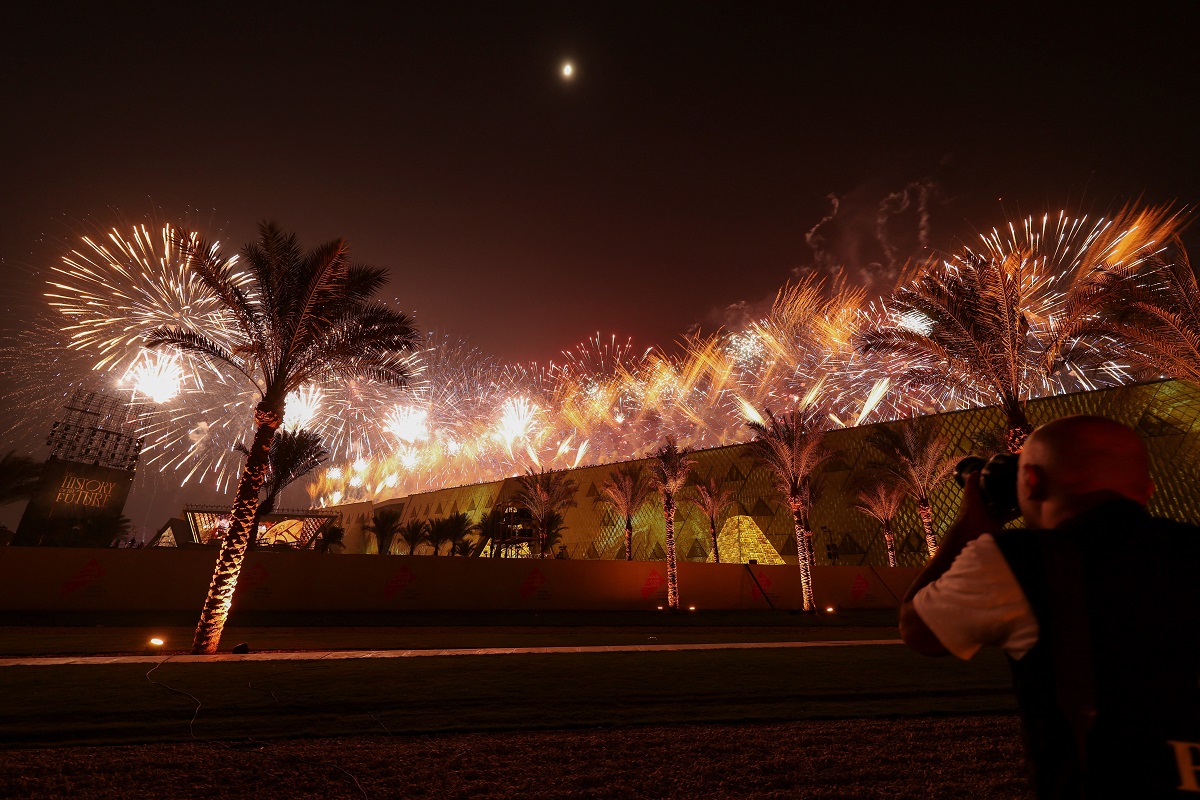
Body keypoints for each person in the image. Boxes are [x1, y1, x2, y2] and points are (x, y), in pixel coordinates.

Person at [899, 415, 1200, 799]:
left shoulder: (1022, 561)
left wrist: (973, 523)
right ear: (1147, 489)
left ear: (1032, 481)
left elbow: (919, 630)